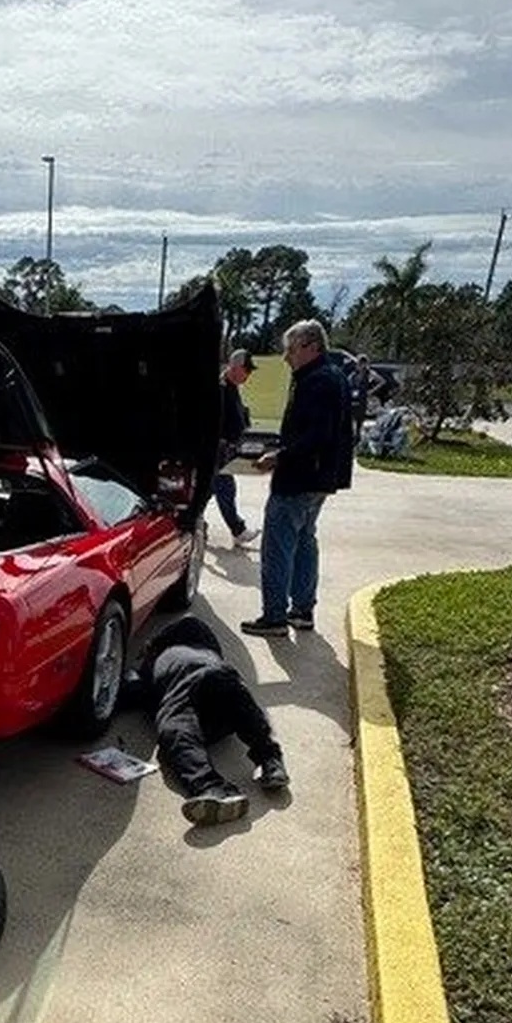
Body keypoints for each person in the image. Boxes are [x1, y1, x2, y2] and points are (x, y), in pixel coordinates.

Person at [242, 320, 354, 637]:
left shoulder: (318, 381)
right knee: (305, 542)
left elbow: (318, 435)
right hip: (318, 480)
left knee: (277, 546)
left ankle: (274, 617)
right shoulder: (331, 377)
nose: (286, 357)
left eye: (290, 350)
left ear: (310, 346)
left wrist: (280, 457)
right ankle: (302, 611)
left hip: (300, 478)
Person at [124, 616, 289, 825]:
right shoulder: (145, 676)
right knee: (177, 729)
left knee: (228, 695)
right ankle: (223, 784)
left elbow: (192, 622)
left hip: (203, 680)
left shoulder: (189, 638)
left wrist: (153, 644)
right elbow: (120, 695)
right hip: (202, 714)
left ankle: (265, 762)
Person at [205, 348, 259, 548]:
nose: (248, 375)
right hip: (217, 450)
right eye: (247, 370)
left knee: (208, 491)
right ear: (235, 367)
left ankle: (192, 524)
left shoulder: (232, 387)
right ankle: (238, 530)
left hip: (225, 449)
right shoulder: (220, 387)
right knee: (226, 488)